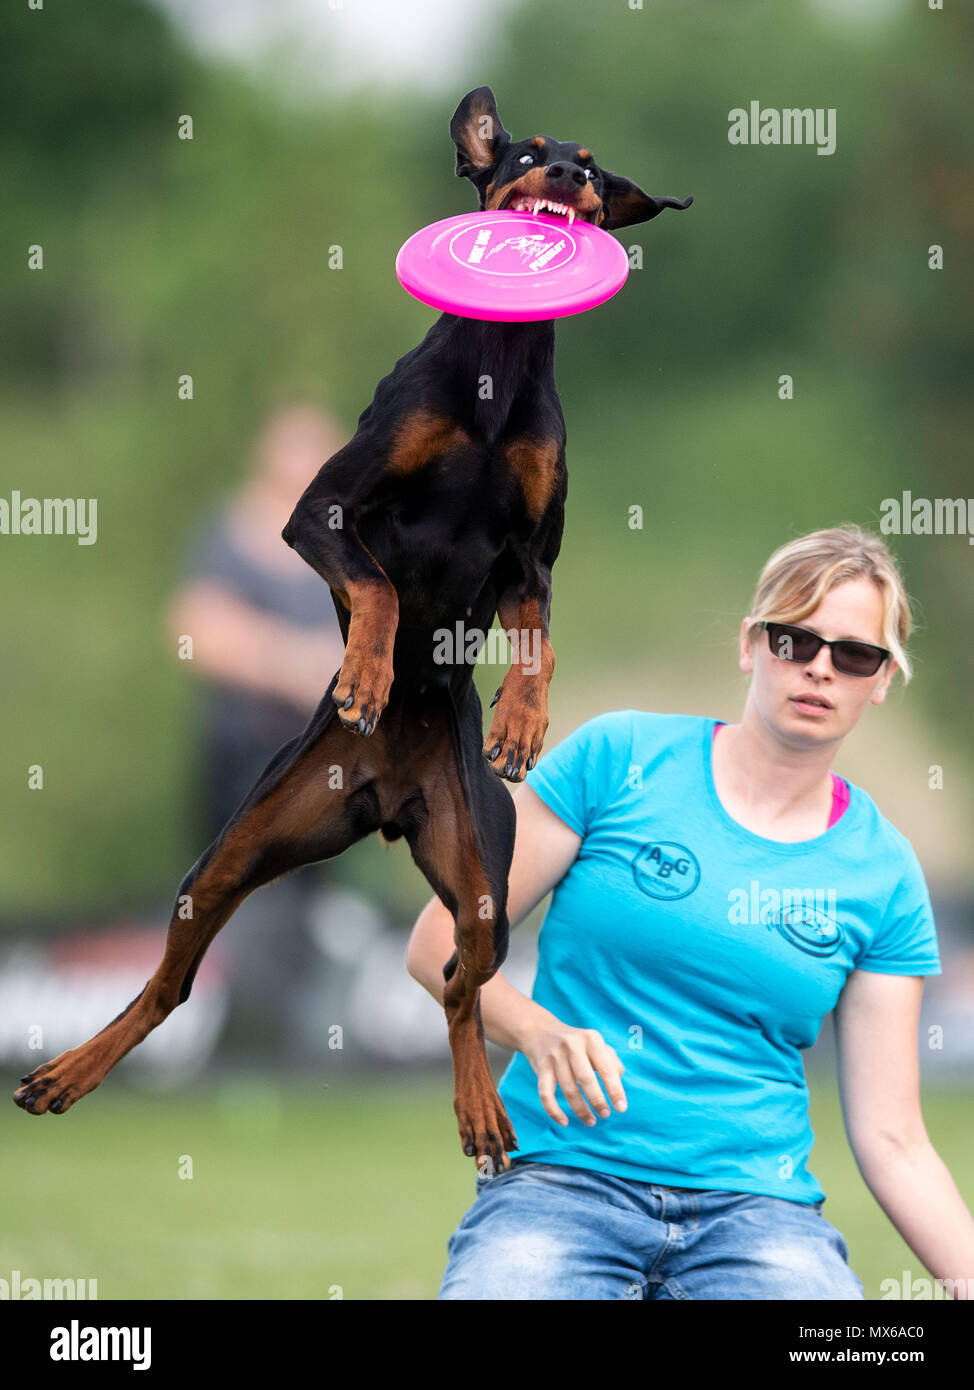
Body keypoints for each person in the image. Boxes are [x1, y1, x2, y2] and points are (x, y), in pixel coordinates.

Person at [406, 526, 974, 1300]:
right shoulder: (617, 760)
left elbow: (895, 1138)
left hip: (761, 1218)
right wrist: (538, 1033)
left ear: (880, 680)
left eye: (854, 655)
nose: (818, 669)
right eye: (794, 640)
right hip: (560, 1186)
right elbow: (435, 943)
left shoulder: (884, 874)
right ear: (751, 645)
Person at [167, 402, 347, 1063]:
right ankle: (243, 1037)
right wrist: (288, 662)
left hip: (328, 758)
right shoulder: (232, 535)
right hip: (247, 756)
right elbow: (195, 632)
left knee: (309, 902)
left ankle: (302, 1038)